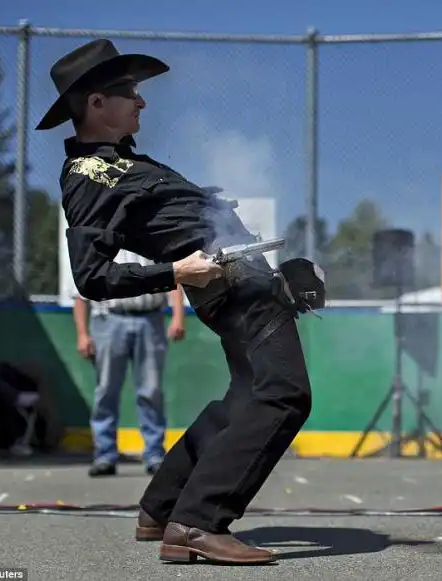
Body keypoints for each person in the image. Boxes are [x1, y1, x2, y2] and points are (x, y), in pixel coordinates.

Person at [36, 39, 324, 565]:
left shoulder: (119, 165)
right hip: (229, 287)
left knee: (248, 396)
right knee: (284, 394)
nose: (142, 103)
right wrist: (176, 270)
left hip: (242, 282)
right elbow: (92, 276)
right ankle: (199, 522)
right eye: (130, 93)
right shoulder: (88, 176)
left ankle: (161, 507)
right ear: (96, 103)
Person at [72, 250, 186, 477]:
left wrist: (177, 316)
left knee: (151, 390)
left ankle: (154, 454)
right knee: (106, 389)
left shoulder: (149, 239)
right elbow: (79, 293)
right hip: (109, 320)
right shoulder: (99, 244)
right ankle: (105, 455)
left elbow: (173, 276)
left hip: (150, 317)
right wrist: (83, 334)